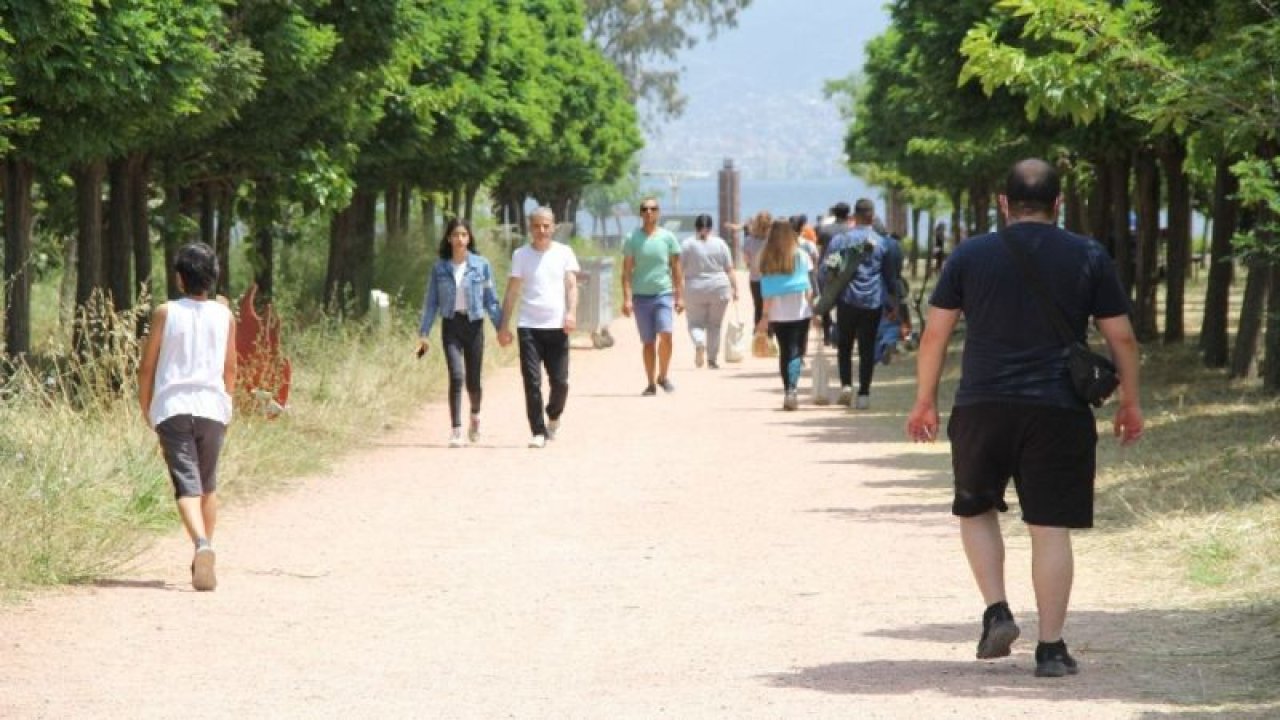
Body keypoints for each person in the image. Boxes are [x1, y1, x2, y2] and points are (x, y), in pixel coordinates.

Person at [906, 158, 1143, 679]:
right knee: (1050, 528)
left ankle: (997, 610)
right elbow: (1120, 336)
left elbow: (935, 335)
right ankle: (1052, 649)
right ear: (1059, 205)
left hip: (982, 404)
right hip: (1058, 409)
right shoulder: (1087, 255)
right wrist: (1130, 400)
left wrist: (925, 399)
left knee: (975, 509)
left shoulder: (970, 255)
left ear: (1003, 203)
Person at [137, 242, 237, 592]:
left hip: (174, 406)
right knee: (207, 486)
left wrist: (146, 406)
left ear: (179, 279)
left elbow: (147, 366)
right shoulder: (225, 315)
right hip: (212, 407)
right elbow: (230, 368)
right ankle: (201, 560)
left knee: (186, 486)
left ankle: (201, 546)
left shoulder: (165, 312)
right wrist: (228, 403)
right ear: (213, 277)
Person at [496, 207, 579, 449]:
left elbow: (572, 286)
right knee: (532, 381)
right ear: (530, 228)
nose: (541, 231)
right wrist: (504, 326)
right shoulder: (521, 255)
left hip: (557, 326)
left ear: (553, 227)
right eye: (536, 226)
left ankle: (553, 415)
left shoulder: (564, 253)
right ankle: (538, 431)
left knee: (560, 382)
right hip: (529, 326)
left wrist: (571, 313)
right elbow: (512, 291)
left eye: (546, 226)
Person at [417, 218, 503, 447]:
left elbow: (491, 300)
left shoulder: (481, 265)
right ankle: (456, 430)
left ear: (469, 238)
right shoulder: (440, 268)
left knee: (473, 382)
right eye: (455, 235)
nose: (460, 239)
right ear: (449, 238)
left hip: (474, 325)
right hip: (451, 325)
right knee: (456, 376)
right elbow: (431, 302)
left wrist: (501, 328)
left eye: (464, 234)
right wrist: (423, 332)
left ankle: (475, 415)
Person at [821, 198, 898, 409]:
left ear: (854, 217)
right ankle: (864, 393)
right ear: (872, 217)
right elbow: (889, 278)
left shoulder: (839, 241)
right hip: (872, 301)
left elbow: (828, 271)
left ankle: (846, 385)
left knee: (844, 345)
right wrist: (893, 305)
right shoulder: (882, 243)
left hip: (846, 300)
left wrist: (827, 294)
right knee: (866, 348)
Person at [621, 197, 684, 395]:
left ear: (658, 212)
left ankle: (663, 376)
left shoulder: (668, 238)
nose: (649, 212)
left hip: (663, 294)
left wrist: (679, 296)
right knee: (648, 342)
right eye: (645, 209)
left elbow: (676, 269)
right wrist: (627, 298)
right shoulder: (632, 238)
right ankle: (650, 383)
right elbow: (627, 272)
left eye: (653, 209)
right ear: (640, 213)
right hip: (641, 297)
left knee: (666, 335)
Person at [754, 219, 814, 411]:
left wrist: (764, 317)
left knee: (785, 351)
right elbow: (809, 288)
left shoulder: (766, 257)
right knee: (796, 351)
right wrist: (814, 310)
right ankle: (792, 390)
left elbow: (768, 292)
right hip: (800, 310)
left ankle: (787, 389)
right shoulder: (802, 256)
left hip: (777, 314)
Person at [680, 214, 739, 369]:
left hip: (695, 288)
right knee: (715, 325)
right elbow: (730, 269)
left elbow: (678, 270)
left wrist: (677, 292)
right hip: (719, 287)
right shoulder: (720, 244)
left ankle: (699, 342)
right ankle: (712, 360)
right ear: (711, 228)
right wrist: (735, 289)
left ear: (695, 227)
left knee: (694, 323)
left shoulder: (687, 244)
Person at [815, 203, 851, 346]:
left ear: (834, 214)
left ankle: (826, 336)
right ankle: (841, 334)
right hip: (845, 269)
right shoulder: (851, 231)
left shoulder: (824, 230)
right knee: (843, 301)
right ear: (848, 215)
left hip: (827, 267)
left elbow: (819, 248)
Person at [741, 210, 773, 331]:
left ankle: (758, 335)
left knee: (758, 307)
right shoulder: (772, 240)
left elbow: (747, 261)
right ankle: (769, 334)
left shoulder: (748, 240)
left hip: (755, 279)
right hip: (771, 278)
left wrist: (752, 265)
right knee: (770, 308)